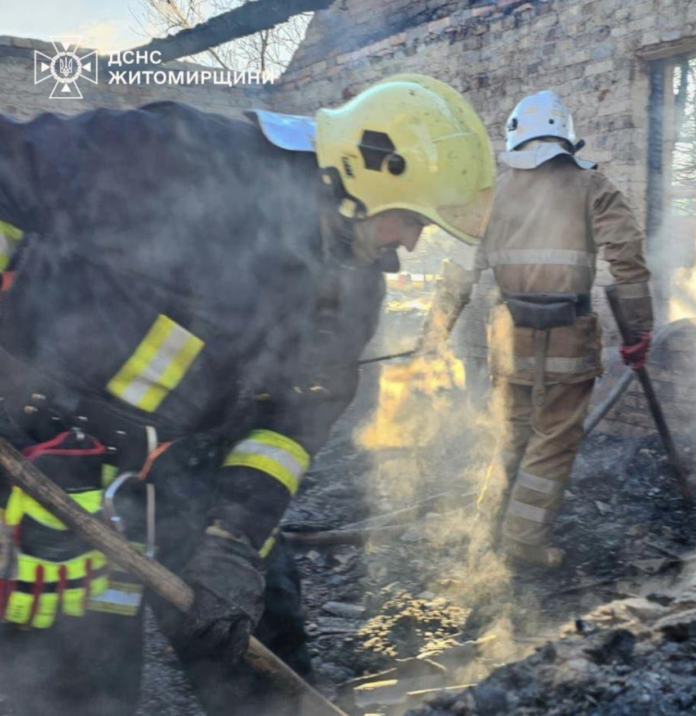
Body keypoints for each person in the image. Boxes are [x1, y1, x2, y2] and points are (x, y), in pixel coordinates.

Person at [0, 74, 493, 716]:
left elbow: (293, 421)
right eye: (412, 219)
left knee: (261, 656)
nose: (410, 242)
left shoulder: (353, 284)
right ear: (365, 173)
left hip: (196, 464)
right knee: (77, 681)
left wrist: (234, 539)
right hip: (59, 456)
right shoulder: (177, 157)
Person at [425, 90, 653, 568]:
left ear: (514, 135)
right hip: (569, 336)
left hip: (509, 339)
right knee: (550, 443)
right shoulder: (592, 186)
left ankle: (487, 531)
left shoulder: (496, 192)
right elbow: (627, 262)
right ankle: (523, 544)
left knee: (510, 435)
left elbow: (463, 269)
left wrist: (434, 333)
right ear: (566, 136)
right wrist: (638, 332)